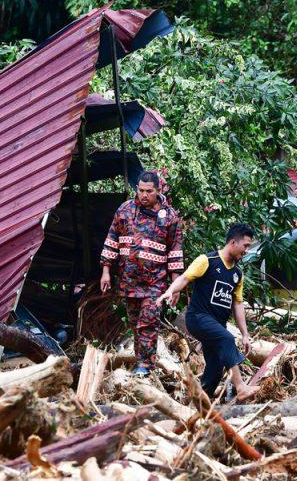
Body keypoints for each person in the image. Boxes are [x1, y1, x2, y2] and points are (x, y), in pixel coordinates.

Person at [155, 223, 257, 401]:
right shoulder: (207, 261)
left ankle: (200, 403)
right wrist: (170, 291)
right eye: (245, 246)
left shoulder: (237, 274)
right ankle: (240, 387)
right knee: (226, 338)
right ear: (233, 242)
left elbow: (238, 304)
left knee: (216, 368)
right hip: (198, 318)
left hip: (217, 325)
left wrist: (245, 334)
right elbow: (185, 277)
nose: (246, 250)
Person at [100, 171, 184, 375]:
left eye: (149, 191)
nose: (144, 195)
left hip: (156, 283)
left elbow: (175, 251)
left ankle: (145, 367)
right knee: (135, 324)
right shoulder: (125, 210)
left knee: (147, 324)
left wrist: (175, 287)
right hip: (129, 280)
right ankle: (142, 362)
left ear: (158, 190)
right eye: (140, 190)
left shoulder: (170, 216)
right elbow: (112, 239)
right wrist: (106, 270)